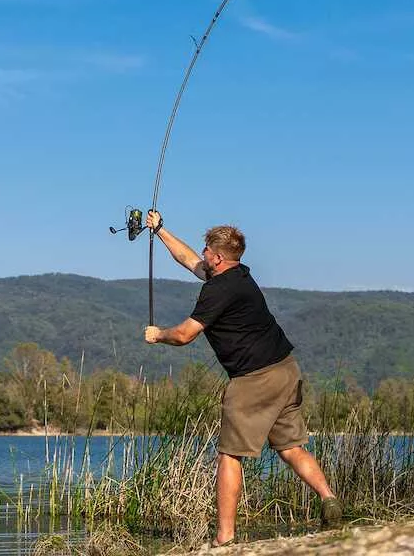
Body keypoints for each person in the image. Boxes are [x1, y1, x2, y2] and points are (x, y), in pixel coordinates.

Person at [142, 209, 341, 545]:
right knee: (291, 447)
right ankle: (329, 499)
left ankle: (225, 537)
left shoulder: (217, 291)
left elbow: (185, 335)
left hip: (254, 379)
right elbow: (188, 259)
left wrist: (158, 334)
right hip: (286, 369)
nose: (203, 254)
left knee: (229, 455)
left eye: (207, 250)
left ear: (218, 258)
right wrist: (160, 230)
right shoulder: (240, 275)